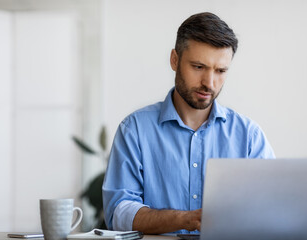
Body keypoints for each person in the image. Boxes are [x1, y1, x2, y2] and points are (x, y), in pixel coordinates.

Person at [102, 12, 275, 234]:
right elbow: (118, 213)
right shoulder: (134, 130)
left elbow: (271, 209)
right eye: (198, 67)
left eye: (220, 71)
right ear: (175, 60)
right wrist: (185, 219)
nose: (209, 83)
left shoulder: (249, 136)